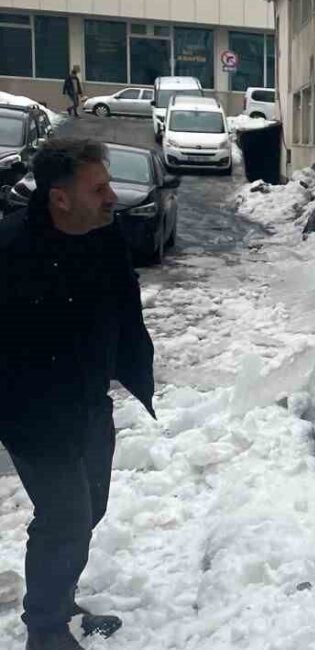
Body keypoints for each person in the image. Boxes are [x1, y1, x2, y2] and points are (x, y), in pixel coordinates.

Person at [0, 138, 155, 650]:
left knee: (91, 509)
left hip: (88, 402)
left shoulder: (103, 236)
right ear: (60, 198)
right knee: (65, 519)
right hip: (32, 415)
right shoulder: (12, 250)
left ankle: (60, 598)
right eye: (99, 187)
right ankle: (44, 629)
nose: (112, 196)